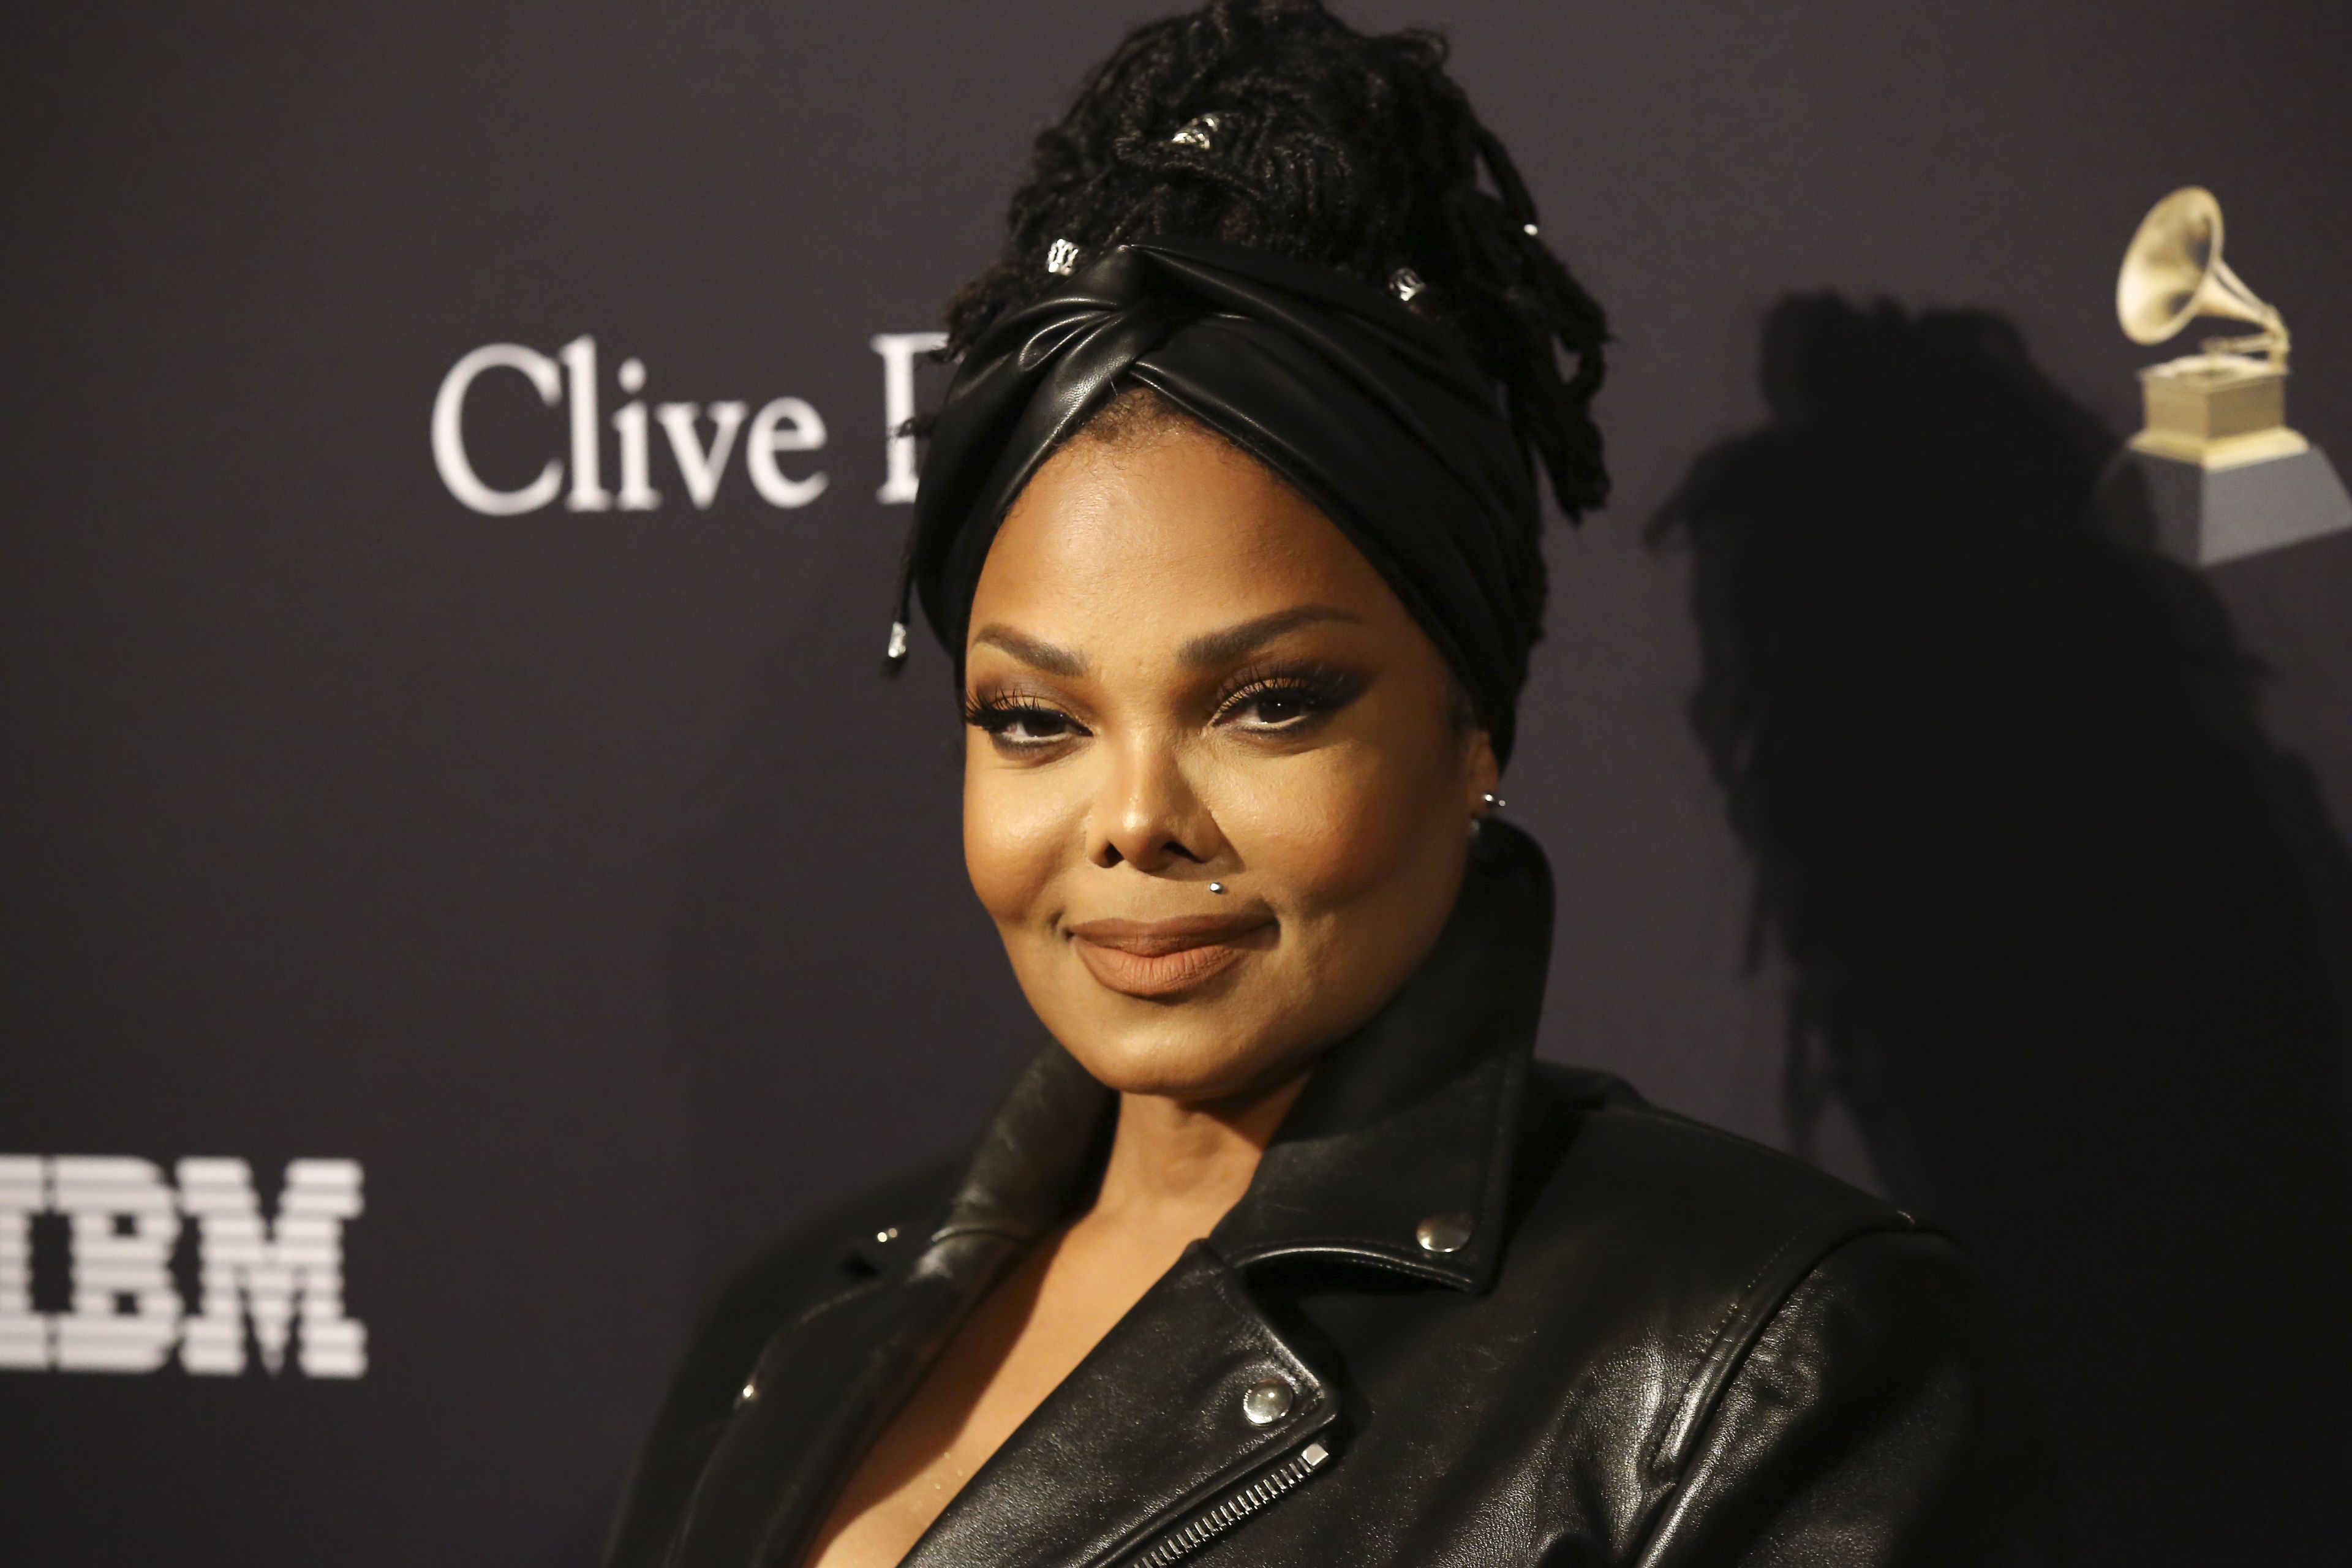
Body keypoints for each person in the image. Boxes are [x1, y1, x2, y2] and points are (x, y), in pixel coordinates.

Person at [606, 4, 2038, 1564]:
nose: (1134, 813)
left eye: (1267, 703)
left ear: (1470, 730)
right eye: (1034, 717)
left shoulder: (1754, 1366)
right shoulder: (793, 1317)